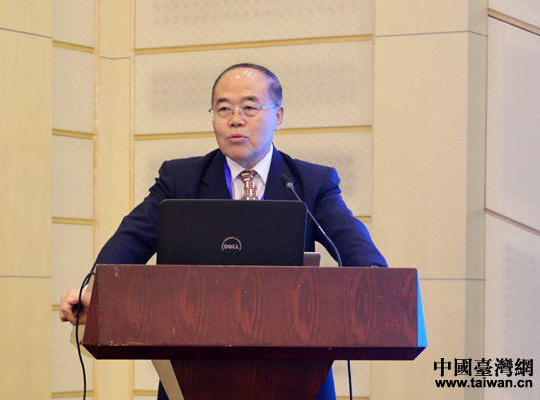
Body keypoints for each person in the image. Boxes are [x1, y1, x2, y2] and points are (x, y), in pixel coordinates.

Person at [60, 63, 388, 400]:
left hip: (297, 372)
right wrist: (95, 290)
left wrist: (378, 284)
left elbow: (351, 242)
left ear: (278, 116)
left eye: (249, 107)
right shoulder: (180, 180)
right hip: (194, 370)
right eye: (223, 109)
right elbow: (130, 240)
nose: (235, 119)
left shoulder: (310, 183)